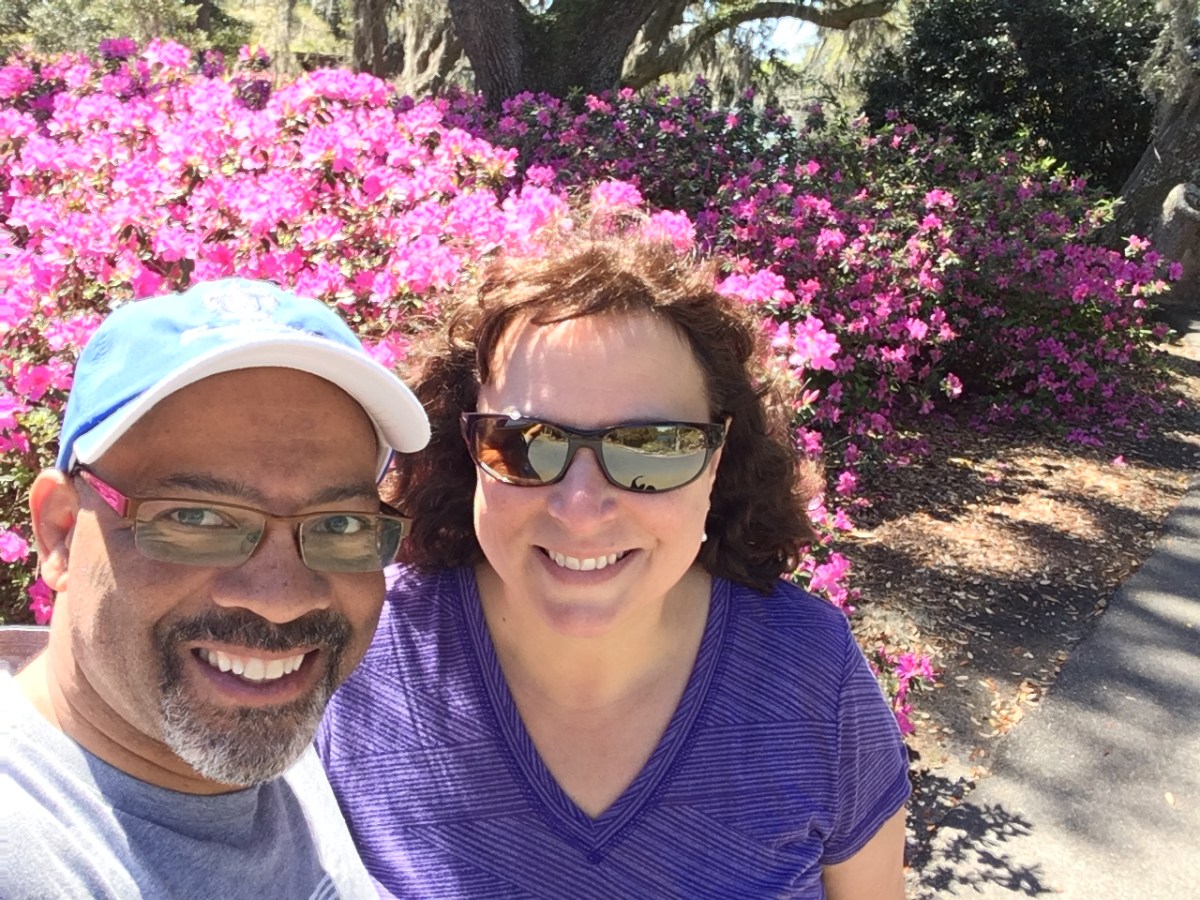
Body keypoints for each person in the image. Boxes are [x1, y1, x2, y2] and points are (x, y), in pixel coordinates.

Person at [317, 236, 911, 898]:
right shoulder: (359, 655)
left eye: (652, 448)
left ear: (715, 461)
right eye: (523, 444)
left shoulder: (811, 672)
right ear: (468, 449)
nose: (580, 509)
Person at [1, 278, 430, 898]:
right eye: (197, 518)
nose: (281, 598)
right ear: (60, 534)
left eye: (340, 524)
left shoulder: (271, 756)